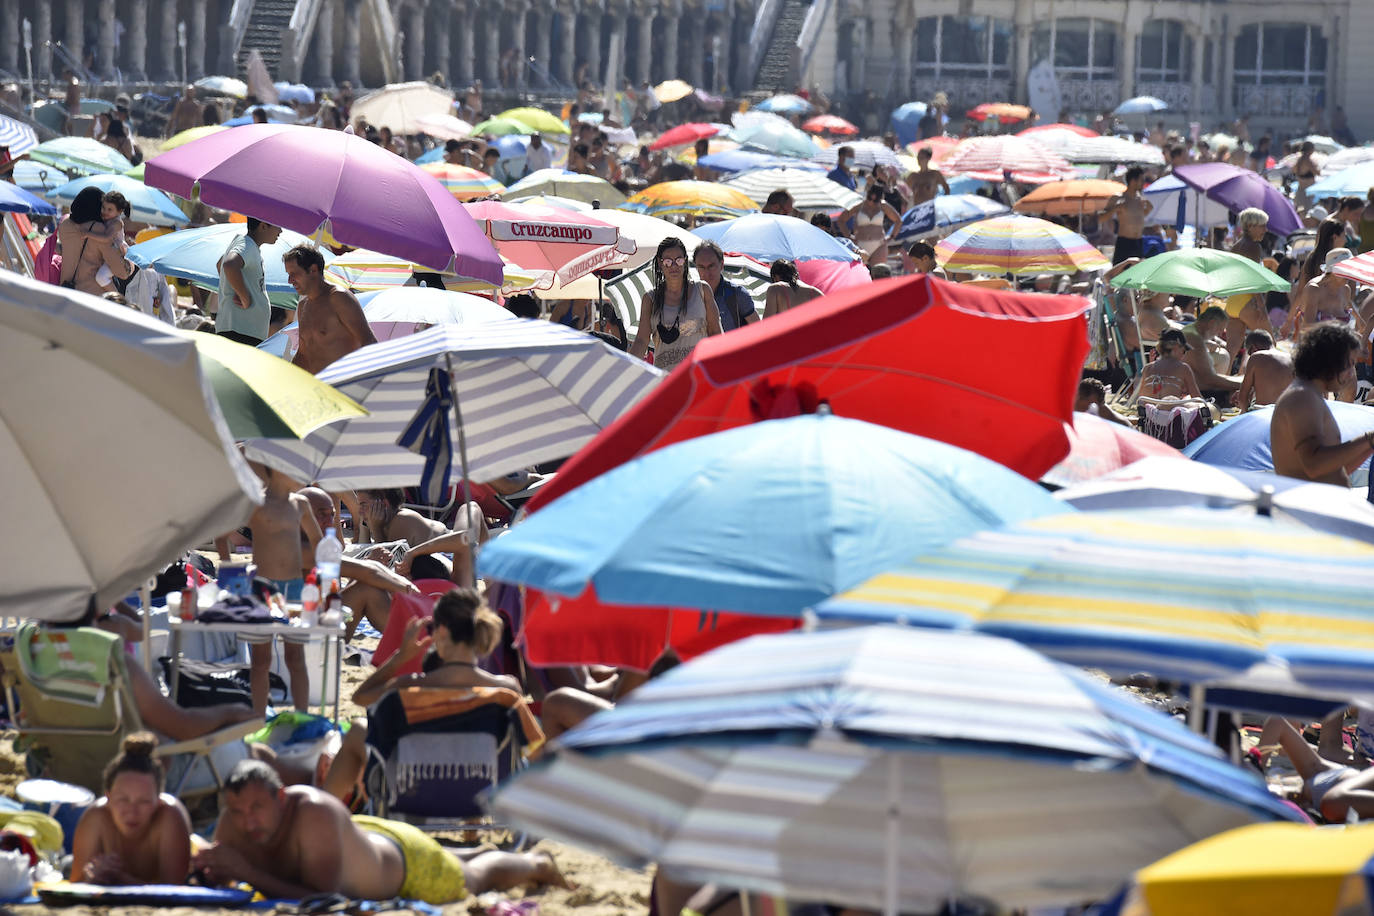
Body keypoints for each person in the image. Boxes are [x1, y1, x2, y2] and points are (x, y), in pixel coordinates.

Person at [193, 760, 565, 903]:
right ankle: (477, 852)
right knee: (457, 858)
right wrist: (213, 871)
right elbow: (222, 879)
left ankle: (536, 864)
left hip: (407, 866)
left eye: (257, 809)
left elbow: (325, 899)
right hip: (365, 836)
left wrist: (246, 872)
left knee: (475, 877)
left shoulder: (312, 813)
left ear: (280, 797)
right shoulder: (234, 821)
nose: (247, 822)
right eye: (238, 811)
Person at [320, 587, 519, 799]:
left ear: (442, 632)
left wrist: (400, 657)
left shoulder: (410, 686)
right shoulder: (507, 690)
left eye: (432, 628)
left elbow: (360, 697)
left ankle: (325, 809)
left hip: (412, 795)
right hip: (480, 794)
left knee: (358, 730)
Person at [239, 461, 321, 714]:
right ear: (276, 468)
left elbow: (319, 541)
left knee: (295, 657)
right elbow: (222, 532)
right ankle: (258, 717)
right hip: (262, 588)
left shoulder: (301, 504)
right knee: (261, 659)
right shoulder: (256, 501)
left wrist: (321, 577)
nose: (301, 474)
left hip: (294, 587)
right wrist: (229, 567)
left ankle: (302, 715)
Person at [70, 733, 193, 885]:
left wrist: (120, 879)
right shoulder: (96, 817)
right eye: (123, 800)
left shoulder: (170, 817)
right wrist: (92, 878)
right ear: (108, 798)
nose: (132, 812)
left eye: (144, 802)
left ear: (158, 801)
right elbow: (75, 886)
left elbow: (174, 891)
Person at [1271, 321, 1374, 486]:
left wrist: (1370, 445)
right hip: (1307, 501)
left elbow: (1336, 470)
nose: (1351, 373)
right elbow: (1314, 465)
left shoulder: (1310, 395)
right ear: (1331, 360)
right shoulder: (1302, 398)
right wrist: (1368, 439)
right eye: (1350, 363)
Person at [629, 237, 722, 371]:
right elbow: (641, 341)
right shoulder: (650, 299)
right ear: (660, 263)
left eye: (678, 260)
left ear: (685, 261)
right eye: (668, 261)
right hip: (666, 377)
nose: (674, 266)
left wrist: (721, 369)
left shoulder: (702, 290)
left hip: (699, 373)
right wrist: (626, 369)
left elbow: (715, 333)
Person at [286, 244, 377, 373]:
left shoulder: (339, 297)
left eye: (294, 274)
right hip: (316, 383)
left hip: (343, 381)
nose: (290, 280)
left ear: (313, 269)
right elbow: (303, 354)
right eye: (288, 274)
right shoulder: (303, 306)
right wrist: (286, 375)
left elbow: (368, 341)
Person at [216, 217, 282, 346]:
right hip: (241, 331)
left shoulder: (246, 244)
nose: (280, 231)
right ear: (263, 226)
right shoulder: (248, 245)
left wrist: (236, 288)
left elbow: (220, 264)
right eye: (277, 225)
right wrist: (244, 297)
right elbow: (229, 265)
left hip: (242, 330)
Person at [58, 187, 131, 296]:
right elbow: (121, 271)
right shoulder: (99, 230)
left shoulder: (65, 225)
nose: (103, 211)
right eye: (102, 207)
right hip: (91, 295)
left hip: (66, 290)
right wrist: (130, 263)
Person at [1288, 248, 1356, 339]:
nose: (1349, 274)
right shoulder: (1314, 289)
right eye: (1346, 269)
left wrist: (1359, 322)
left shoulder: (1346, 290)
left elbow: (1349, 307)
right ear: (1333, 271)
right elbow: (1307, 328)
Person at [693, 240, 757, 332]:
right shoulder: (690, 296)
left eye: (711, 266)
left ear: (722, 265)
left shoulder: (737, 294)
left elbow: (759, 330)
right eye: (701, 267)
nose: (707, 273)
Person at [841, 184, 902, 267]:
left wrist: (891, 236)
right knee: (860, 272)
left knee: (877, 272)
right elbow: (841, 220)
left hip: (879, 245)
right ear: (867, 195)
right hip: (860, 244)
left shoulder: (883, 206)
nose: (871, 202)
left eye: (875, 200)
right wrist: (848, 237)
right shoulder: (859, 205)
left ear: (880, 198)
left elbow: (898, 220)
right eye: (869, 198)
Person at [1133, 328, 1203, 400]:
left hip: (1148, 406)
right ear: (1176, 348)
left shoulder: (1147, 368)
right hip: (1169, 406)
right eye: (1183, 351)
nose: (1183, 355)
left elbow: (1141, 397)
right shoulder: (1184, 368)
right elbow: (1197, 398)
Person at [1103, 166, 1153, 265]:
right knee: (1119, 272)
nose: (1143, 183)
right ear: (1133, 181)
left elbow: (1137, 218)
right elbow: (1101, 218)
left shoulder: (1140, 199)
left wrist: (1148, 209)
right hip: (1124, 242)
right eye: (1141, 180)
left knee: (1138, 272)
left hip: (1138, 242)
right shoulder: (1119, 197)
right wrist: (1115, 209)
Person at [1236, 329, 1293, 409]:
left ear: (1254, 348)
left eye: (1249, 353)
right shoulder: (1291, 358)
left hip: (1263, 412)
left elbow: (1242, 398)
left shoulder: (1256, 356)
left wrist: (1244, 411)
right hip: (1287, 411)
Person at [1292, 141, 1321, 209]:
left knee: (1299, 210)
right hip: (1307, 191)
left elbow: (1294, 171)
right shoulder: (1308, 161)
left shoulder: (1299, 160)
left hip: (1300, 189)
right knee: (1306, 211)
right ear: (1310, 149)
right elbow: (1317, 173)